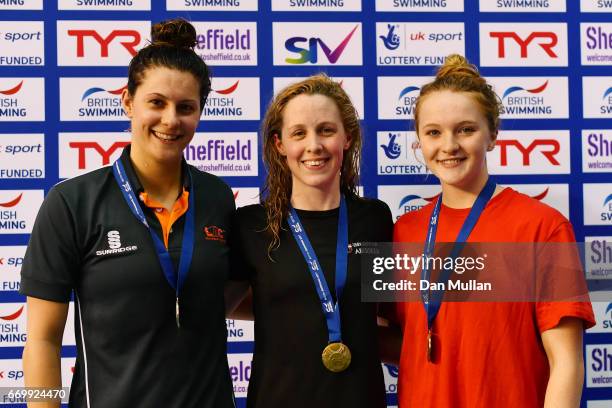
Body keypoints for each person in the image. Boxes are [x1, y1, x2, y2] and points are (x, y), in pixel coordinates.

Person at [20, 19, 236, 407]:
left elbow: (235, 292)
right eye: (157, 103)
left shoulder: (218, 197)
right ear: (127, 101)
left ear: (200, 112)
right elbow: (41, 340)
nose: (171, 120)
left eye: (186, 107)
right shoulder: (72, 202)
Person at [392, 54, 595, 407]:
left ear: (492, 135)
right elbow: (398, 339)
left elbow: (567, 362)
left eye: (466, 129)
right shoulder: (403, 231)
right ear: (419, 142)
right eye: (434, 132)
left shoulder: (544, 227)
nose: (449, 145)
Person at [231, 74, 393, 407]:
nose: (313, 145)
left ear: (347, 138)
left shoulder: (374, 218)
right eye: (299, 133)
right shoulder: (250, 225)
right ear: (280, 145)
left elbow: (392, 317)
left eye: (326, 130)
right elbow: (225, 303)